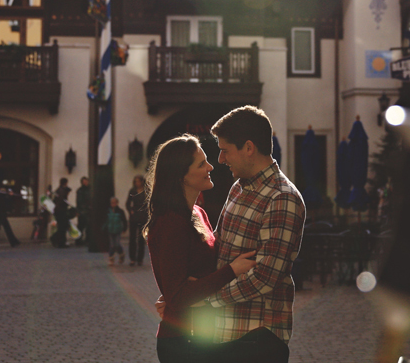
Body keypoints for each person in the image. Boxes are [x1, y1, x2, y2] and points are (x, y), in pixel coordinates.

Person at [157, 106, 306, 362]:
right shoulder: (239, 187)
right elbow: (218, 245)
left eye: (225, 150)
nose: (221, 159)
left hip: (258, 336)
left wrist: (201, 300)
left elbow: (264, 278)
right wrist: (178, 292)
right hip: (224, 335)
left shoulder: (282, 198)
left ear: (248, 148)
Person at [145, 135, 257, 363]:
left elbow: (186, 279)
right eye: (201, 164)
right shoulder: (171, 222)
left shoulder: (197, 213)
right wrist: (232, 270)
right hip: (182, 340)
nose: (210, 166)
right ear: (180, 176)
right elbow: (178, 297)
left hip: (202, 335)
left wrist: (184, 289)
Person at [126, 174, 147, 266]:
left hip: (143, 217)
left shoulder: (146, 191)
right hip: (134, 217)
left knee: (141, 239)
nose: (137, 183)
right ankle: (132, 258)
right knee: (132, 238)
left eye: (139, 181)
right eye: (136, 181)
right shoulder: (133, 191)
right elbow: (128, 202)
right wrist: (130, 211)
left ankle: (140, 259)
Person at [104, 197, 127, 265]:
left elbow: (124, 220)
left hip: (117, 230)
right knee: (112, 245)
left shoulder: (120, 211)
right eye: (112, 203)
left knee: (116, 244)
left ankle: (121, 254)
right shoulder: (108, 211)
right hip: (110, 230)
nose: (113, 204)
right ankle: (111, 258)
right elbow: (106, 220)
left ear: (117, 203)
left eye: (114, 203)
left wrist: (124, 228)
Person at [75, 176, 92, 247]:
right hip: (82, 210)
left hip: (88, 210)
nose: (86, 182)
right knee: (81, 226)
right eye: (84, 181)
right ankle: (78, 240)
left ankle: (87, 239)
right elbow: (79, 201)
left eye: (86, 181)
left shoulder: (90, 189)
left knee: (89, 226)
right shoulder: (80, 190)